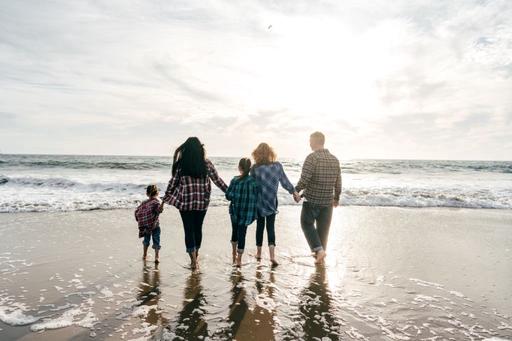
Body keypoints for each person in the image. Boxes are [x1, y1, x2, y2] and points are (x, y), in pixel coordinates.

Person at [162, 137, 227, 269]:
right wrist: (229, 192)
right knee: (198, 229)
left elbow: (172, 183)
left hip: (185, 203)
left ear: (186, 150)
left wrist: (164, 199)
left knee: (188, 230)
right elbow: (217, 180)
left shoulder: (181, 165)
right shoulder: (206, 163)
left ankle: (193, 260)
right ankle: (196, 256)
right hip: (202, 203)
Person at [294, 132, 341, 264]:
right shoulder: (334, 159)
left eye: (310, 141)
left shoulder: (312, 158)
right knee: (323, 233)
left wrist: (296, 191)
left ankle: (319, 253)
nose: (309, 144)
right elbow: (338, 182)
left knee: (306, 224)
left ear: (316, 142)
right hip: (327, 202)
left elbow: (305, 179)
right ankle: (320, 260)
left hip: (312, 201)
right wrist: (336, 197)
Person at [250, 142, 299, 266]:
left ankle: (259, 254)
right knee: (270, 228)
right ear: (270, 153)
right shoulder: (277, 166)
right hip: (272, 202)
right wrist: (293, 191)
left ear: (257, 154)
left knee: (260, 227)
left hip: (259, 203)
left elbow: (252, 187)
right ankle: (272, 256)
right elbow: (284, 182)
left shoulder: (255, 169)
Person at [225, 158, 259, 267]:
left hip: (235, 211)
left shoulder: (234, 180)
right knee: (242, 234)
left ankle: (234, 253)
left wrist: (236, 196)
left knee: (234, 231)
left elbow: (228, 196)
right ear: (249, 168)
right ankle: (239, 260)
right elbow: (257, 197)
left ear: (239, 167)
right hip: (247, 213)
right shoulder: (254, 182)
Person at [135, 184, 163, 263]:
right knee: (156, 240)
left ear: (147, 194)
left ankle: (144, 255)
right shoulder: (156, 202)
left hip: (146, 226)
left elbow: (137, 212)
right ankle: (157, 257)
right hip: (155, 226)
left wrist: (141, 221)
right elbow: (159, 210)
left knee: (146, 240)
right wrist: (161, 206)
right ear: (157, 193)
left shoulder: (144, 203)